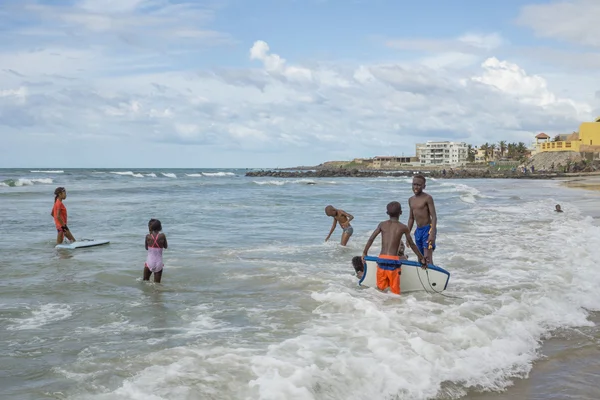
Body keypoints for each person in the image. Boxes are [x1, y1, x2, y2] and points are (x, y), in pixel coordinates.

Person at [361, 201, 426, 295]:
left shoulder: (382, 224)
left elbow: (371, 238)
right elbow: (412, 244)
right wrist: (421, 258)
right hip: (393, 262)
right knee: (395, 292)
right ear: (401, 213)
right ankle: (395, 307)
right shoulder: (403, 227)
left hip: (381, 260)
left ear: (387, 213)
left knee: (380, 291)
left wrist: (364, 252)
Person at [408, 174, 437, 265]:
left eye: (419, 185)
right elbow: (411, 218)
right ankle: (422, 278)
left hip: (427, 230)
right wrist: (407, 235)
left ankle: (432, 277)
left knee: (427, 257)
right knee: (420, 257)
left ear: (424, 186)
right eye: (414, 184)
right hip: (418, 231)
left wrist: (432, 233)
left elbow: (434, 216)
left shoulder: (427, 198)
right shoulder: (411, 200)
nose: (416, 187)